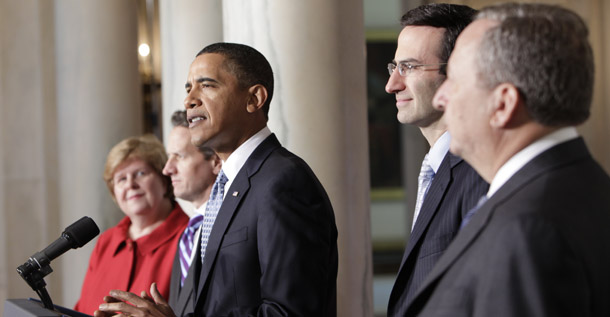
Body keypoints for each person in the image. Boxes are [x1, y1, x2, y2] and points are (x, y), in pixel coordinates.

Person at [96, 43, 338, 316]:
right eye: (188, 88)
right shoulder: (226, 188)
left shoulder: (283, 181)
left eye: (207, 85)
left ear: (254, 99)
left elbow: (290, 312)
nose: (189, 100)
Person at [405, 3, 610, 316]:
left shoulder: (527, 230)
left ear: (502, 105)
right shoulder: (585, 184)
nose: (441, 97)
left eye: (455, 80)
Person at [384, 3, 488, 314]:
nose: (392, 85)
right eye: (394, 67)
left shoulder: (480, 172)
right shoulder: (436, 167)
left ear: (459, 73)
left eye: (410, 67)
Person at [74, 135, 188, 315]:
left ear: (164, 180)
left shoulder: (190, 237)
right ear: (114, 192)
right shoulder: (107, 241)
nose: (130, 185)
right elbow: (82, 308)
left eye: (141, 173)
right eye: (121, 179)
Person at [163, 110, 221, 316]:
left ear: (215, 160)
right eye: (169, 157)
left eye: (179, 156)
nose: (167, 169)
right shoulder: (187, 236)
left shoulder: (232, 227)